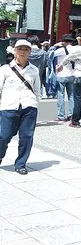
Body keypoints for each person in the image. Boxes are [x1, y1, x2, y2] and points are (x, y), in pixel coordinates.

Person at [0, 39, 41, 175]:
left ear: (30, 52)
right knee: (4, 136)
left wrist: (35, 102)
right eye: (20, 49)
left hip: (29, 106)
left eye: (26, 49)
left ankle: (21, 164)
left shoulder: (34, 70)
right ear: (14, 51)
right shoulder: (5, 69)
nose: (23, 52)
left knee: (26, 137)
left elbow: (37, 89)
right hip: (8, 106)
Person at [50, 34, 76, 122]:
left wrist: (55, 46)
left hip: (61, 74)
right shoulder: (75, 49)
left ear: (63, 42)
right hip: (72, 74)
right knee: (71, 95)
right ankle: (72, 114)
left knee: (60, 95)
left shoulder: (61, 50)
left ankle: (61, 115)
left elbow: (50, 54)